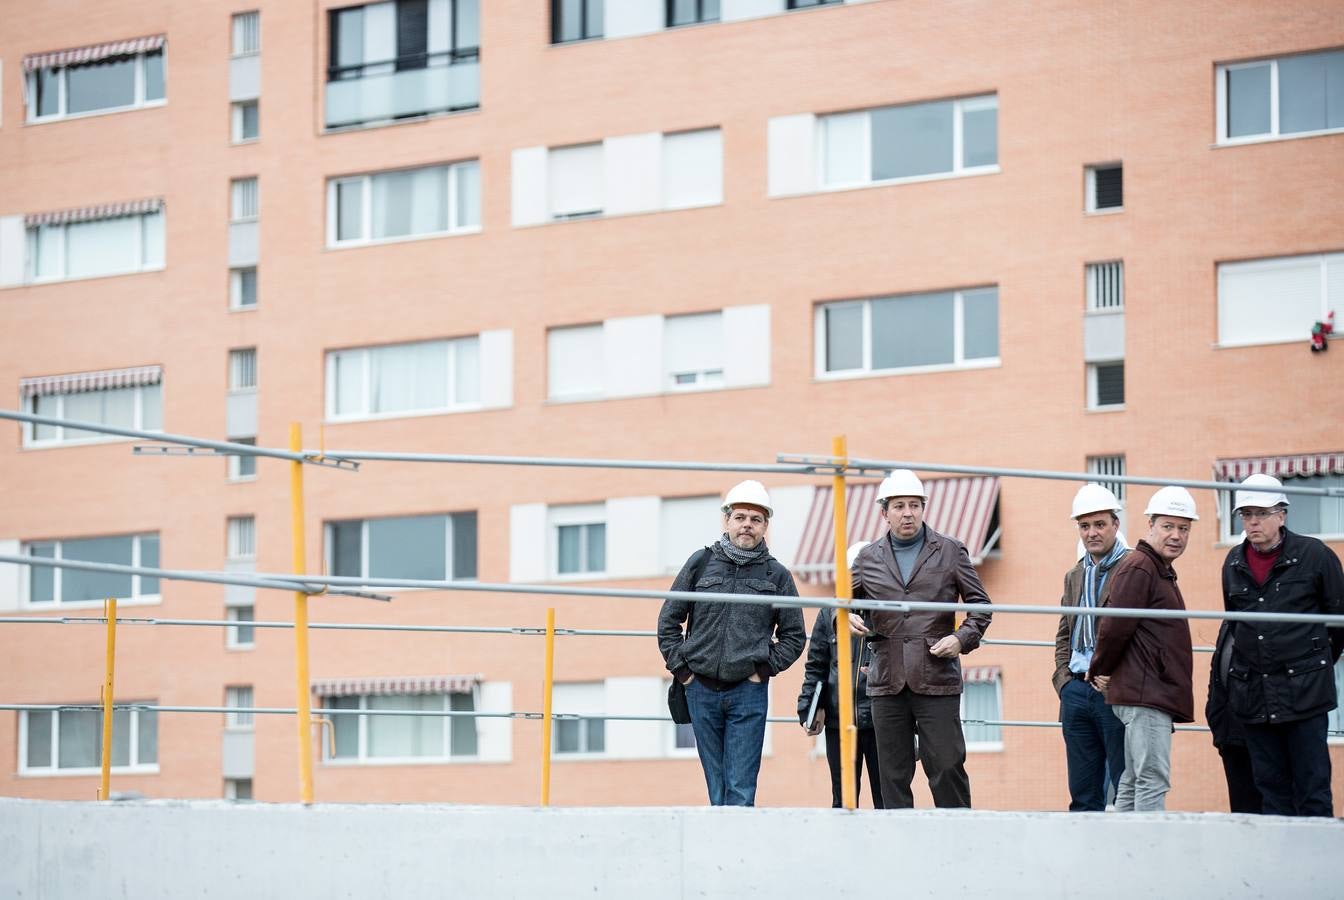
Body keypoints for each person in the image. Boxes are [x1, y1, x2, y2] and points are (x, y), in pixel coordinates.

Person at [657, 479, 806, 806]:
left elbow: (794, 636)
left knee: (740, 788)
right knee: (717, 787)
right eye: (740, 517)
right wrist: (684, 672)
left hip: (748, 692)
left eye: (755, 519)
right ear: (727, 520)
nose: (747, 525)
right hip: (699, 689)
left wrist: (764, 669)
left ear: (766, 524)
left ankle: (739, 854)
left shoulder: (776, 575)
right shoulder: (700, 563)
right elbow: (669, 619)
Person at [851, 469, 992, 809]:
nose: (908, 512)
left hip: (936, 675)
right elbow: (842, 604)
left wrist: (961, 639)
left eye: (914, 505)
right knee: (892, 775)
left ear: (924, 508)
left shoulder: (950, 550)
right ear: (884, 513)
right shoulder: (867, 558)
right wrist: (848, 616)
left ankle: (958, 843)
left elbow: (981, 606)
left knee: (946, 766)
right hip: (887, 681)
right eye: (899, 506)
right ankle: (901, 853)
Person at [1221, 473, 1344, 817]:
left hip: (1305, 697)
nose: (1253, 521)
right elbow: (1235, 625)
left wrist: (1310, 667)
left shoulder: (1315, 555)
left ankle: (1315, 868)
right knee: (1270, 792)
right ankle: (1280, 869)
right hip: (1255, 699)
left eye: (1261, 513)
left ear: (1282, 514)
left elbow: (1338, 623)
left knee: (1313, 789)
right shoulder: (1233, 562)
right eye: (1246, 514)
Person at [1088, 486, 1197, 812]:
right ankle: (1148, 855)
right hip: (1146, 693)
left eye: (1184, 528)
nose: (1176, 535)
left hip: (1146, 691)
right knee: (1151, 778)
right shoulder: (1142, 566)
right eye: (1168, 526)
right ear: (1150, 525)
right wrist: (1100, 670)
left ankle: (1124, 855)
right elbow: (1114, 627)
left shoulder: (1155, 568)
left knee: (1134, 780)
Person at [1052, 484, 1129, 811]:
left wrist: (1121, 679)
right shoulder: (1074, 575)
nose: (1092, 532)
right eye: (1085, 526)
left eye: (1099, 524)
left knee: (1127, 787)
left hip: (1113, 692)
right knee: (1083, 795)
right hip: (1077, 691)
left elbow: (1141, 634)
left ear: (1115, 524)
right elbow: (1063, 633)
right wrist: (1063, 681)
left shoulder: (1132, 569)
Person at [798, 542, 884, 809]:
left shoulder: (888, 610)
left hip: (884, 722)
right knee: (844, 801)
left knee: (890, 801)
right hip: (839, 721)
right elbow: (816, 665)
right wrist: (808, 709)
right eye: (854, 571)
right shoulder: (828, 613)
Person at [1205, 621, 1263, 813]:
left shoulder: (1268, 610)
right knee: (1242, 808)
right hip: (1229, 730)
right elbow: (1218, 666)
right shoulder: (1230, 618)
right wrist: (1214, 711)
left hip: (1257, 728)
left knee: (1266, 805)